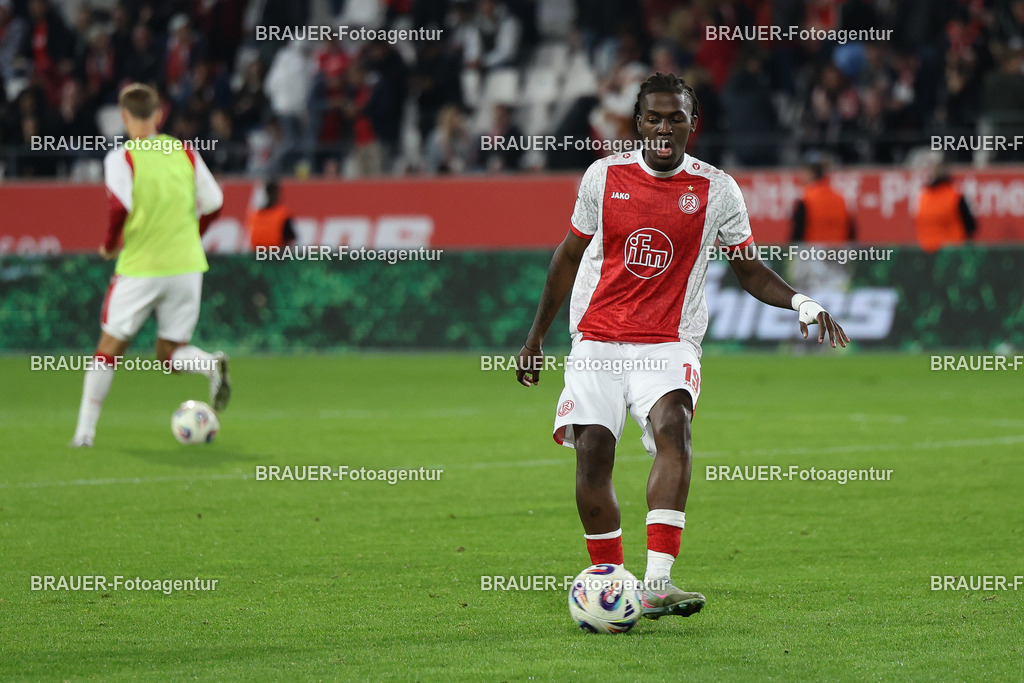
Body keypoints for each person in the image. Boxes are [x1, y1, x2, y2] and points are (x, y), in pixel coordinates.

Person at [515, 72, 848, 620]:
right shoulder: (604, 177)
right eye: (653, 117)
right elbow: (568, 256)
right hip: (597, 337)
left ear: (694, 123)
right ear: (637, 122)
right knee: (593, 455)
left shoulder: (718, 189)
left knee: (675, 426)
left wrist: (801, 302)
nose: (664, 128)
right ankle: (610, 580)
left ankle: (657, 582)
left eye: (676, 118)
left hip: (670, 340)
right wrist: (535, 338)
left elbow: (748, 269)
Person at [71, 83, 229, 448]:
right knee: (170, 353)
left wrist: (110, 245)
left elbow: (119, 207)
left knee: (108, 347)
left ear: (124, 116)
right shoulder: (185, 151)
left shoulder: (122, 157)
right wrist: (193, 234)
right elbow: (215, 202)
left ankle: (84, 434)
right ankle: (210, 365)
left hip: (142, 266)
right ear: (160, 114)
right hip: (187, 266)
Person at [914, 159, 976, 252]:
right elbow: (971, 226)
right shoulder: (955, 196)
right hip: (952, 253)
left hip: (927, 251)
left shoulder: (923, 197)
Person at [792, 160, 855, 243]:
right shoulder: (840, 199)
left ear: (811, 174)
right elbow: (851, 229)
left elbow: (798, 230)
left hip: (812, 250)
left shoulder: (806, 199)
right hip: (838, 251)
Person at [248, 180, 296, 249]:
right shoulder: (281, 214)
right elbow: (291, 236)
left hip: (257, 255)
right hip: (277, 255)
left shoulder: (255, 215)